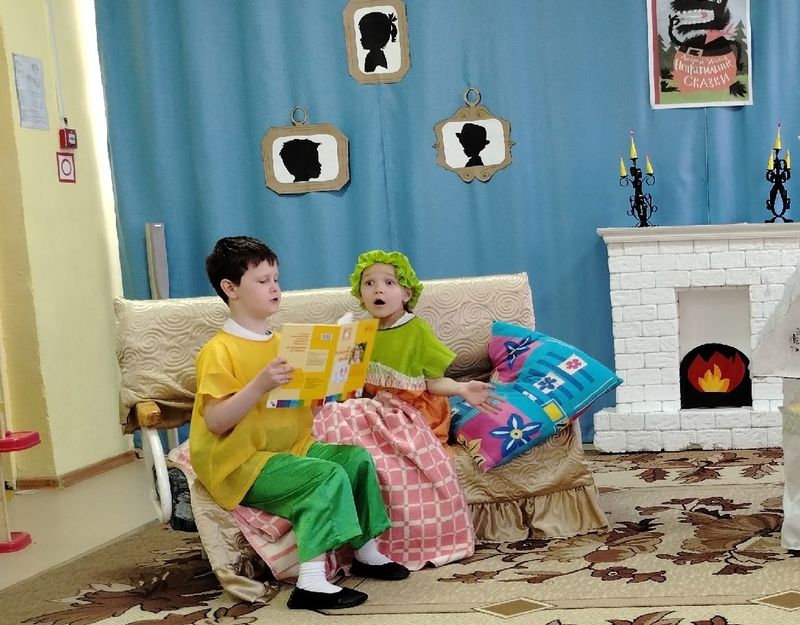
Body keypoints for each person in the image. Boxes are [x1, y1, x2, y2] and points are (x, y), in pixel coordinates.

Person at [189, 236, 409, 611]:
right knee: (324, 476)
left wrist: (330, 388)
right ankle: (311, 583)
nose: (275, 287)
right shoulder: (218, 351)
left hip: (291, 448)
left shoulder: (283, 343)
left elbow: (296, 404)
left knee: (355, 460)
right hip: (242, 463)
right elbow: (216, 421)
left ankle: (365, 551)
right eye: (263, 281)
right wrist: (259, 384)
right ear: (230, 288)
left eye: (276, 279)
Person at [349, 249, 498, 443]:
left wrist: (461, 388)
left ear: (406, 294)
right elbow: (356, 383)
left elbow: (434, 383)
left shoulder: (418, 331)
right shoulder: (361, 332)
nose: (378, 289)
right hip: (378, 409)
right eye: (369, 283)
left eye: (389, 282)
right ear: (360, 294)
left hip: (416, 413)